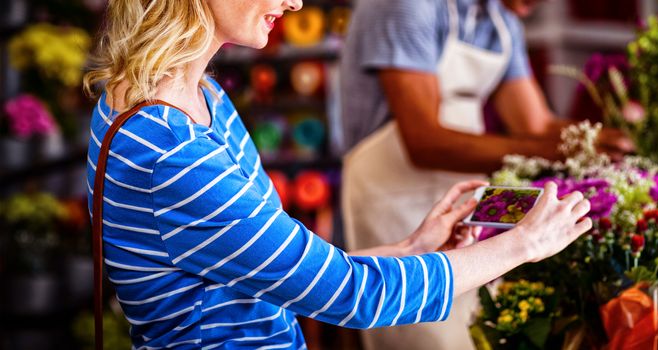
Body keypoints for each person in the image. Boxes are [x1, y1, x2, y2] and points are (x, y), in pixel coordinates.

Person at [82, 0, 591, 349]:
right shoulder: (173, 152)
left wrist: (416, 247)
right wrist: (524, 244)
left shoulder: (200, 99)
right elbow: (354, 295)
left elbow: (281, 275)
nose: (297, 2)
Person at [339, 0, 633, 349]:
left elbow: (535, 124)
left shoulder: (501, 22)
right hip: (391, 196)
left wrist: (607, 141)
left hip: (461, 198)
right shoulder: (406, 6)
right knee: (417, 330)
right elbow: (424, 143)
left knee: (474, 332)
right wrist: (563, 151)